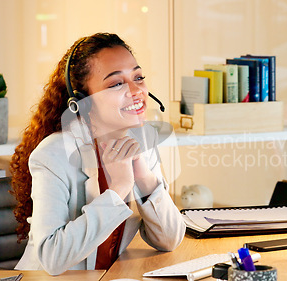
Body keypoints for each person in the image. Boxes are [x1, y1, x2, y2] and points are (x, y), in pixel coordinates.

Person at [10, 33, 185, 275]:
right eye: (116, 84)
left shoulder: (142, 142)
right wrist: (118, 190)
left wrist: (144, 178)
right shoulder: (53, 155)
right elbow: (52, 259)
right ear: (83, 101)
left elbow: (169, 240)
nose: (136, 91)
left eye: (138, 77)